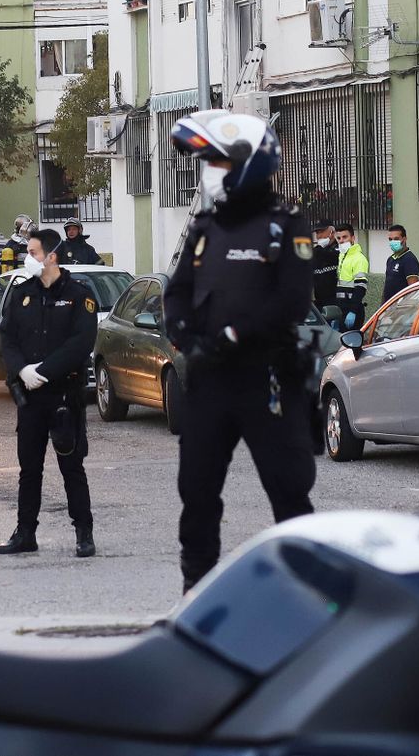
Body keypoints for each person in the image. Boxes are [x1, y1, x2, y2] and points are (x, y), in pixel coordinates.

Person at [163, 110, 317, 593]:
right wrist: (188, 338)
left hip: (265, 377)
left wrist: (231, 336)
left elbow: (292, 300)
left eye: (218, 162)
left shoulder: (285, 225)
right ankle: (196, 591)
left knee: (289, 488)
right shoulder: (206, 225)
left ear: (250, 164)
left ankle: (305, 592)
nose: (209, 171)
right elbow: (178, 289)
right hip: (210, 380)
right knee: (198, 491)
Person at [0, 229, 98, 559]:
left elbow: (81, 343)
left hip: (63, 394)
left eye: (34, 251)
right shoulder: (23, 293)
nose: (28, 257)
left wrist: (45, 370)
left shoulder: (79, 293)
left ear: (52, 256)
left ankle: (84, 532)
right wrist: (22, 370)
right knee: (29, 469)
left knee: (71, 466)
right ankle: (25, 533)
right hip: (30, 396)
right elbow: (7, 339)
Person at [334, 223, 370, 330]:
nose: (341, 241)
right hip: (341, 309)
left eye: (345, 237)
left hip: (352, 310)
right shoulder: (341, 256)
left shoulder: (358, 258)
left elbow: (360, 288)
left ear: (353, 238)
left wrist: (353, 311)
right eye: (339, 238)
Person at [380, 223, 419, 304]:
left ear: (404, 239)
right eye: (390, 239)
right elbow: (387, 287)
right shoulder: (390, 259)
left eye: (396, 239)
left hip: (401, 310)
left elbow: (413, 289)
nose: (393, 242)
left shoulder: (409, 259)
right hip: (388, 308)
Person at [310, 219, 339, 316]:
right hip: (319, 302)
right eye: (317, 233)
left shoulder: (339, 249)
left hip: (335, 302)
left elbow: (330, 256)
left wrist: (318, 248)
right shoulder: (318, 251)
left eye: (321, 232)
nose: (319, 236)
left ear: (332, 232)